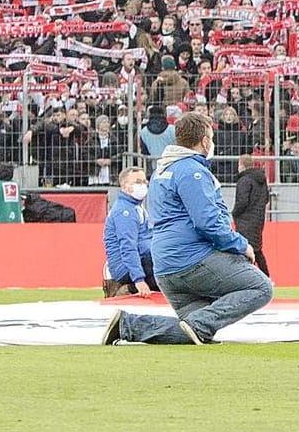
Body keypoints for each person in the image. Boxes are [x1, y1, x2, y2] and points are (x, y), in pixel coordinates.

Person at [102, 113, 272, 346]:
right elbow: (208, 223)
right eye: (211, 138)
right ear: (204, 141)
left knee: (195, 329)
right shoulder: (192, 171)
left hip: (165, 267)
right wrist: (242, 245)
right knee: (261, 286)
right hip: (191, 260)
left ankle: (129, 325)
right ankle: (192, 324)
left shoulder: (162, 171)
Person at [103, 167, 158, 297]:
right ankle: (129, 288)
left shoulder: (137, 207)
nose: (143, 185)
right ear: (124, 186)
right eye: (138, 182)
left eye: (145, 181)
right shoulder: (124, 212)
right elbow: (128, 247)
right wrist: (138, 279)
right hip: (125, 267)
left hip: (139, 260)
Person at [233, 154, 271, 275]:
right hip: (258, 219)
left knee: (245, 249)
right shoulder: (261, 180)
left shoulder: (244, 180)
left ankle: (249, 276)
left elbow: (242, 201)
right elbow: (266, 199)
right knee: (257, 249)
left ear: (242, 165)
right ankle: (266, 275)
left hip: (245, 220)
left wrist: (235, 212)